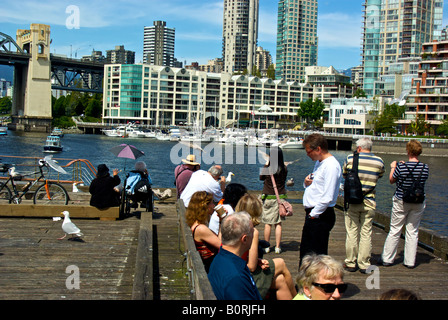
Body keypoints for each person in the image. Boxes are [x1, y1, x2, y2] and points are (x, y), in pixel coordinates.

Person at [235, 194, 297, 300]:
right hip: (243, 275)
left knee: (280, 280)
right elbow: (252, 267)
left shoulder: (229, 225)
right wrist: (254, 261)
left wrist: (255, 259)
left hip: (234, 269)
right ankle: (298, 297)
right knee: (281, 263)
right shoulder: (253, 232)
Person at [380, 140, 429, 269]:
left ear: (408, 151)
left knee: (395, 229)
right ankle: (410, 261)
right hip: (418, 202)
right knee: (412, 231)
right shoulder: (425, 168)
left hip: (401, 200)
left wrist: (393, 167)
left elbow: (392, 180)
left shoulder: (401, 167)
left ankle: (387, 259)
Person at [342, 138, 385, 274]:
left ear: (359, 148)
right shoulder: (379, 161)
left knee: (352, 232)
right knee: (366, 233)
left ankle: (350, 261)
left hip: (353, 201)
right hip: (369, 200)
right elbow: (380, 175)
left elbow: (345, 175)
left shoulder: (350, 158)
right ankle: (364, 263)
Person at [300, 133, 342, 265]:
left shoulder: (331, 166)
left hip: (320, 215)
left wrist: (313, 214)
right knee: (306, 253)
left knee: (315, 256)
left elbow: (328, 196)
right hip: (315, 213)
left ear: (318, 149)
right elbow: (317, 185)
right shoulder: (320, 163)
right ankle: (306, 282)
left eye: (309, 151)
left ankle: (315, 283)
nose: (307, 155)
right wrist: (306, 183)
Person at [208, 212, 262, 300]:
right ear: (244, 239)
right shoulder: (236, 278)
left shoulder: (220, 258)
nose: (254, 235)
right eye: (252, 231)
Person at [259, 147, 288, 254]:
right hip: (280, 198)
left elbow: (261, 178)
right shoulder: (284, 168)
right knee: (278, 223)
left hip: (268, 198)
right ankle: (277, 247)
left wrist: (266, 164)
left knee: (268, 223)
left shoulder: (268, 167)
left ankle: (266, 246)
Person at [185, 191, 221, 273]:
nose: (214, 205)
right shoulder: (201, 229)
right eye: (211, 203)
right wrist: (222, 221)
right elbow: (222, 246)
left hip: (209, 263)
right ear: (205, 206)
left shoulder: (195, 223)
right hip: (211, 267)